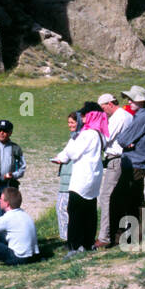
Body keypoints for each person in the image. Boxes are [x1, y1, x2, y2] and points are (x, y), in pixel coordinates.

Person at [52, 109, 105, 254]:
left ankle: (74, 246)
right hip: (94, 177)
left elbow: (73, 153)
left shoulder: (86, 134)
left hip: (82, 178)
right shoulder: (99, 134)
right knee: (90, 211)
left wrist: (69, 148)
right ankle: (87, 243)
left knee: (75, 212)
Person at [111, 85, 145, 246]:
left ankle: (121, 237)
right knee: (135, 200)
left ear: (140, 101)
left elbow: (122, 139)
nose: (128, 101)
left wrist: (128, 142)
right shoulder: (144, 116)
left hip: (135, 164)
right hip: (138, 163)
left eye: (131, 99)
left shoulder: (142, 117)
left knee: (122, 199)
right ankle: (136, 235)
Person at [95, 93, 133, 249]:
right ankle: (122, 232)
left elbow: (105, 137)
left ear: (110, 104)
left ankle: (104, 237)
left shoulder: (118, 117)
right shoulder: (127, 115)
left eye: (103, 108)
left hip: (116, 159)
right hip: (123, 159)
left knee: (106, 197)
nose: (104, 112)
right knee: (119, 198)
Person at [55, 113, 79, 241]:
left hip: (70, 179)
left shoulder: (78, 138)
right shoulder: (74, 137)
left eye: (72, 122)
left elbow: (67, 155)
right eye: (69, 122)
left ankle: (67, 237)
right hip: (67, 176)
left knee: (62, 208)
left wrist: (61, 158)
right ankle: (69, 235)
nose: (70, 125)